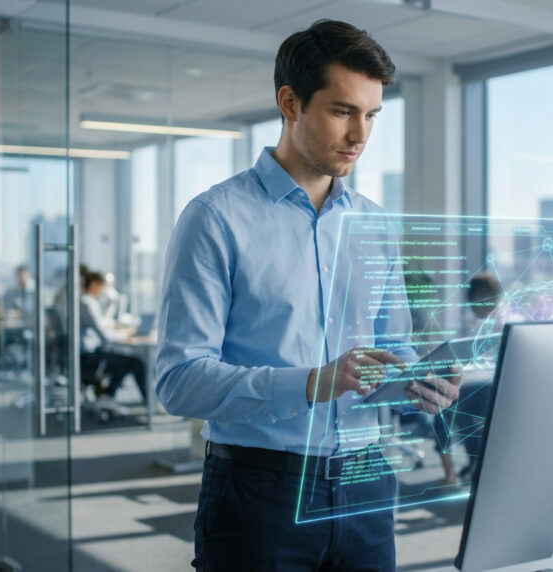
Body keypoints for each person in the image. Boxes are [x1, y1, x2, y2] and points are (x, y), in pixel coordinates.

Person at [155, 20, 461, 571]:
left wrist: (420, 381)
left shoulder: (375, 225)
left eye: (370, 115)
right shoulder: (215, 219)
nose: (359, 135)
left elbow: (394, 347)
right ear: (290, 103)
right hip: (259, 490)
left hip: (368, 481)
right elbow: (178, 382)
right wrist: (313, 383)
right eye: (342, 111)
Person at [79, 271, 147, 410]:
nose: (106, 291)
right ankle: (150, 404)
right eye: (104, 286)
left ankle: (107, 394)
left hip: (89, 354)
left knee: (126, 361)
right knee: (135, 362)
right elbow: (106, 336)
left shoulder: (88, 302)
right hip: (89, 357)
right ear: (94, 285)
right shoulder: (87, 303)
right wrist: (126, 332)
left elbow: (103, 324)